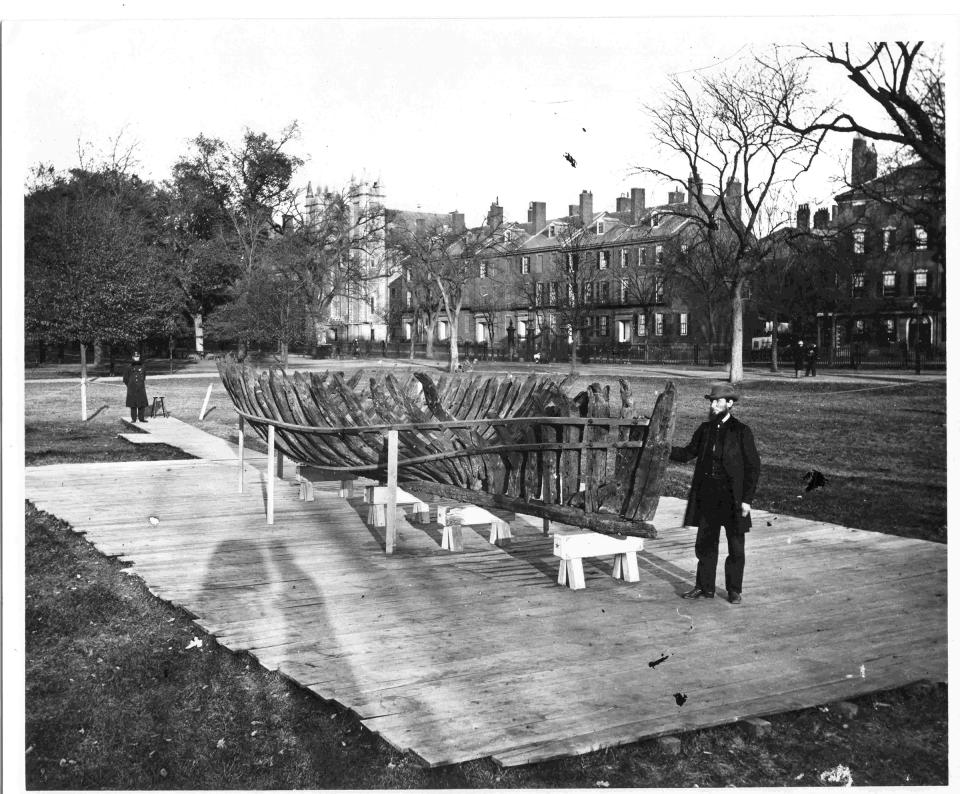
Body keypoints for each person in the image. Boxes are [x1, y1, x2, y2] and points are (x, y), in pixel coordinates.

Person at [670, 383, 761, 604]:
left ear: (730, 403)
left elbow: (753, 467)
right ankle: (704, 587)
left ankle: (734, 590)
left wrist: (747, 500)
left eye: (717, 401)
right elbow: (687, 453)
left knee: (735, 546)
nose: (712, 405)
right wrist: (663, 447)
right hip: (709, 495)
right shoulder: (705, 429)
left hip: (733, 498)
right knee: (705, 544)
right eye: (711, 401)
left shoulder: (741, 431)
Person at [123, 351, 149, 423]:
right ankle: (133, 419)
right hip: (132, 388)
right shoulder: (129, 367)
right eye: (135, 357)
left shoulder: (143, 366)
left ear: (139, 357)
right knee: (133, 404)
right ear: (132, 357)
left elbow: (144, 377)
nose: (136, 358)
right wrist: (130, 385)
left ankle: (141, 418)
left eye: (137, 357)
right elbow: (125, 379)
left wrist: (140, 384)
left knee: (141, 403)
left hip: (141, 388)